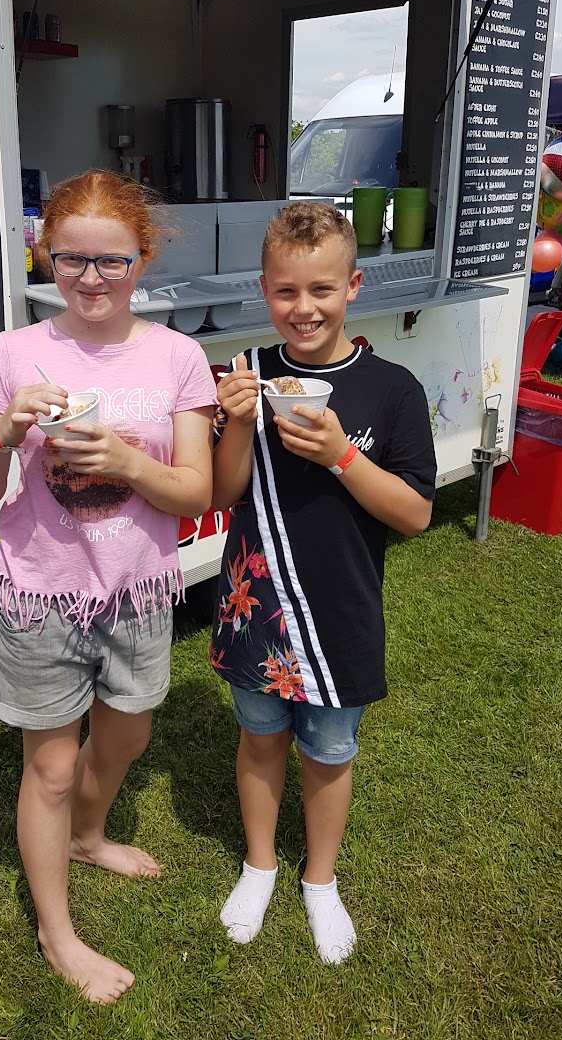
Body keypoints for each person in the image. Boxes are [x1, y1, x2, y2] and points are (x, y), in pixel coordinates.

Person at [0, 171, 216, 1005]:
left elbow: (197, 494)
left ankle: (88, 837)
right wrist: (5, 429)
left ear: (143, 259)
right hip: (42, 595)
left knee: (127, 736)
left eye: (112, 261)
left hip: (137, 593)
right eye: (72, 260)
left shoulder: (177, 357)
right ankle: (57, 933)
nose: (92, 278)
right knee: (53, 770)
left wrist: (128, 462)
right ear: (46, 256)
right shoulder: (12, 354)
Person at [210, 200, 436, 964]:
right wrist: (238, 423)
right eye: (285, 291)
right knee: (260, 739)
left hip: (340, 611)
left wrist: (341, 454)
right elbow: (222, 493)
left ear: (353, 287)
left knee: (331, 749)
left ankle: (320, 878)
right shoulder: (248, 374)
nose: (303, 308)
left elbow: (414, 514)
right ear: (264, 291)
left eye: (321, 290)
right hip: (257, 608)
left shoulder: (392, 389)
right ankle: (260, 864)